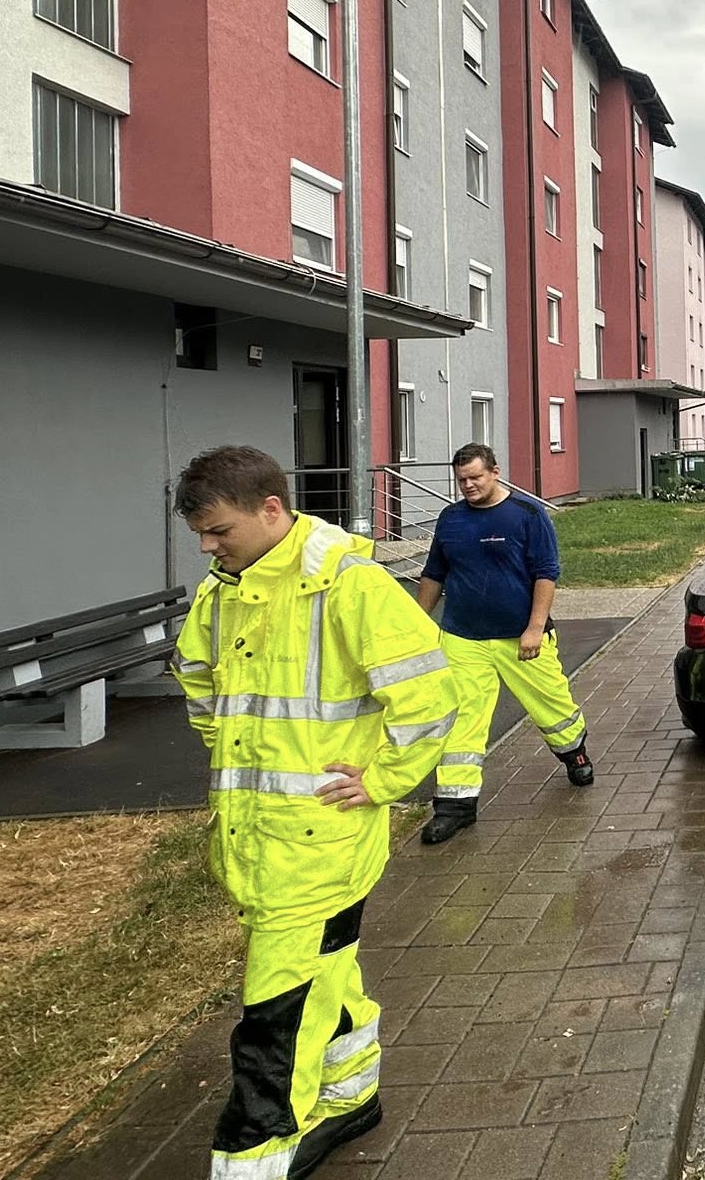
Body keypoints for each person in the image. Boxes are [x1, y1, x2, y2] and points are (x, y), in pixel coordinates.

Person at [168, 446, 456, 1180]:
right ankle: (352, 1096)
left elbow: (428, 695)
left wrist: (384, 778)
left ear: (271, 509)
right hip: (259, 837)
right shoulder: (223, 591)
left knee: (277, 1005)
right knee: (325, 970)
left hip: (318, 841)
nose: (207, 547)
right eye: (199, 534)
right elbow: (199, 681)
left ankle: (254, 1153)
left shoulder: (349, 586)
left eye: (218, 530)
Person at [414, 442, 594, 846]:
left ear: (495, 472)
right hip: (463, 638)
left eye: (476, 477)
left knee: (551, 704)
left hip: (521, 637)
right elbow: (434, 574)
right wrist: (417, 625)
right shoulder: (450, 519)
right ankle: (455, 805)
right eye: (461, 480)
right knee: (462, 716)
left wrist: (534, 628)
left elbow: (546, 573)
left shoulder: (527, 514)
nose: (468, 485)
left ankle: (574, 752)